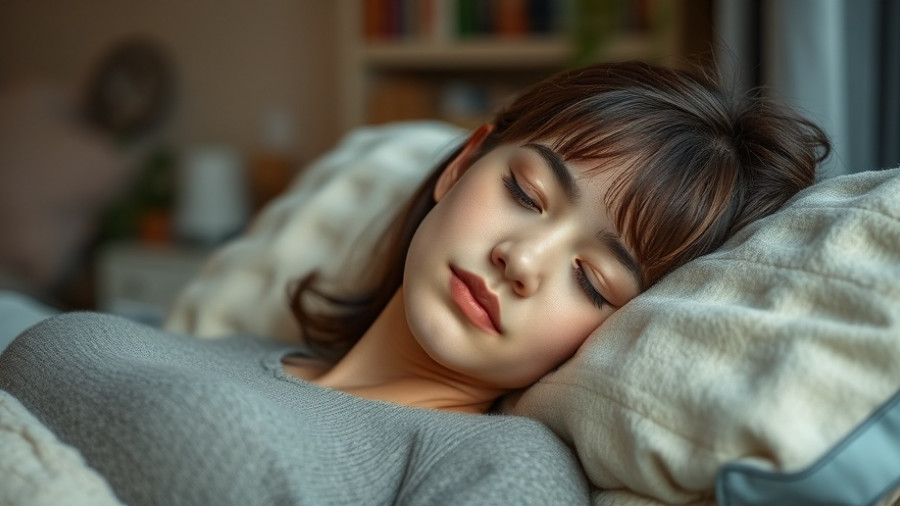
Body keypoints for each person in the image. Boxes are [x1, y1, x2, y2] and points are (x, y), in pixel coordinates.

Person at [0, 61, 829, 505]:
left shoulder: (499, 470)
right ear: (463, 164)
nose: (521, 260)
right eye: (526, 194)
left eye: (591, 279)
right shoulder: (232, 346)